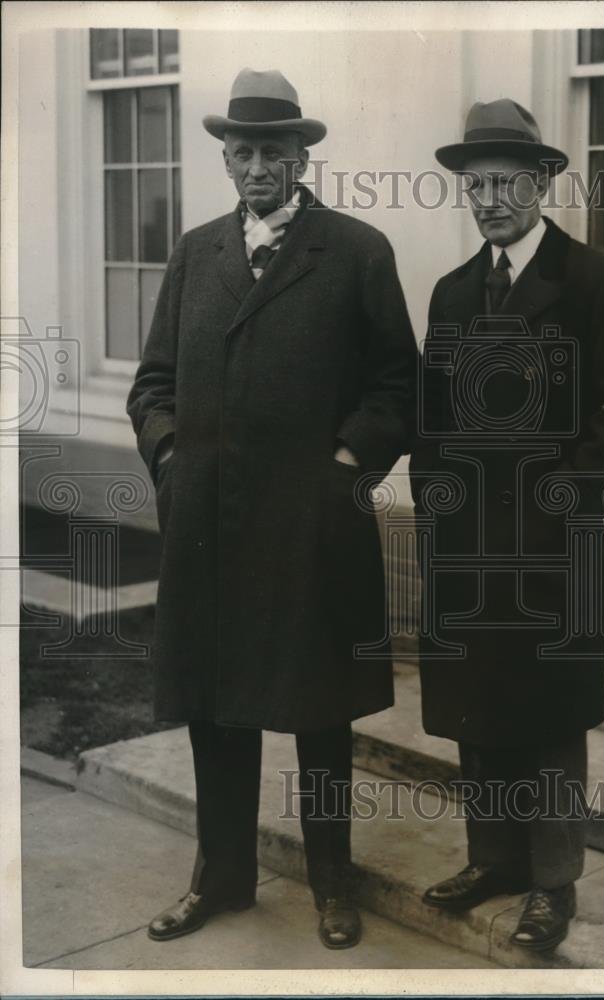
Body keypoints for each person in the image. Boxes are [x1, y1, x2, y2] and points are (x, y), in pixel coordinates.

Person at [127, 68, 417, 950]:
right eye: (243, 152)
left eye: (274, 152)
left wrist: (344, 466)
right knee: (217, 707)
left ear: (302, 158)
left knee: (318, 710)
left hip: (309, 527)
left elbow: (398, 385)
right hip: (209, 527)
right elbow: (153, 385)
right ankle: (221, 877)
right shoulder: (196, 253)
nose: (258, 168)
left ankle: (332, 882)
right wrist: (171, 459)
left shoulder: (357, 252)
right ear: (225, 159)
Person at [409, 99, 604, 951]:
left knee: (550, 714)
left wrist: (569, 498)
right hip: (468, 547)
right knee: (476, 705)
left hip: (552, 547)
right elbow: (432, 420)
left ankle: (553, 885)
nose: (489, 200)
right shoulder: (453, 292)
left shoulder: (594, 282)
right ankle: (494, 860)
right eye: (475, 185)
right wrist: (437, 505)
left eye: (505, 182)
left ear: (542, 182)